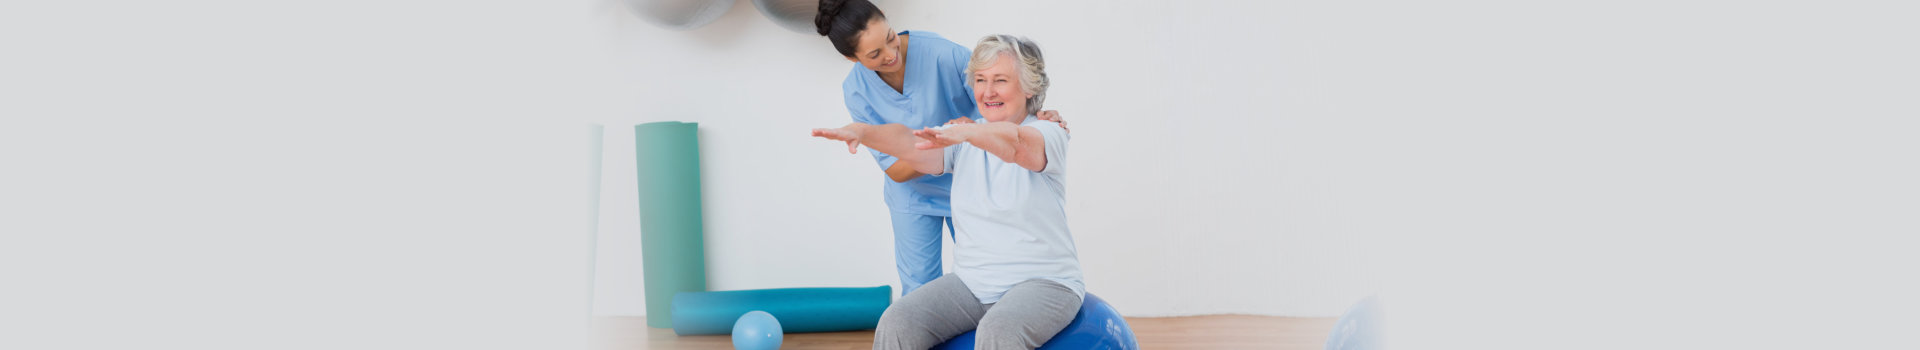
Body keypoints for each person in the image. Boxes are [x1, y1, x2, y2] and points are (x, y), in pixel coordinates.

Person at [812, 34, 1082, 350]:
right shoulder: (964, 137)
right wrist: (863, 132)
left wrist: (968, 132)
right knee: (897, 321)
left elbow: (1017, 145)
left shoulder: (1049, 133)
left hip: (1045, 284)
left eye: (1000, 80)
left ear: (1029, 88)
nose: (987, 91)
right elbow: (910, 144)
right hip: (972, 286)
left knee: (999, 331)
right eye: (980, 80)